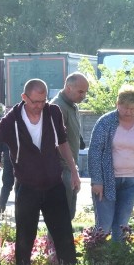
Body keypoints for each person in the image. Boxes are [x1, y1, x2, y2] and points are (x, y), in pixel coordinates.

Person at [0, 78, 80, 265]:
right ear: (24, 97)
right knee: (25, 234)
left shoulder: (53, 113)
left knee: (63, 232)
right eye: (35, 101)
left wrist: (74, 170)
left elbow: (63, 142)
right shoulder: (12, 119)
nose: (39, 106)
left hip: (54, 183)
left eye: (43, 101)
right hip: (27, 186)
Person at [88, 85, 134, 242]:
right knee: (105, 223)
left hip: (130, 180)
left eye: (132, 108)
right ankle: (98, 255)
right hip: (107, 180)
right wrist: (97, 180)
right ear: (118, 104)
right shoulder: (105, 122)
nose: (128, 112)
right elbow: (95, 151)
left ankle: (118, 257)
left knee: (122, 224)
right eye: (125, 107)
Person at [51, 72, 89, 219]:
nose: (84, 96)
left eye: (85, 92)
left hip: (69, 167)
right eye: (80, 91)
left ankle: (60, 242)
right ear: (68, 87)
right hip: (61, 169)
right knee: (61, 217)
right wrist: (73, 171)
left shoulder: (72, 105)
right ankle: (55, 243)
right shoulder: (57, 107)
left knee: (68, 215)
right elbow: (58, 142)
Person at [0, 141, 14, 218]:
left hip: (8, 158)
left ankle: (1, 209)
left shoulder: (5, 128)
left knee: (6, 185)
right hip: (18, 159)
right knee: (23, 185)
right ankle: (1, 209)